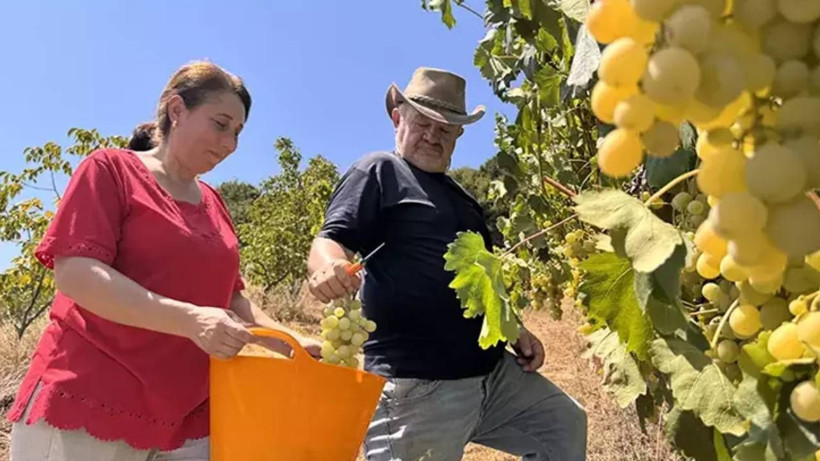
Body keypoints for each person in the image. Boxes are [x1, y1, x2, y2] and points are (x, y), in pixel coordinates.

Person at [7, 60, 321, 461]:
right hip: (89, 402)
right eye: (221, 124)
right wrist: (189, 320)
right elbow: (77, 275)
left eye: (238, 132)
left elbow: (231, 299)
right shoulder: (111, 170)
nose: (230, 143)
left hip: (186, 420)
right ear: (176, 109)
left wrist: (291, 343)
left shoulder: (215, 204)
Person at [307, 67, 588, 460]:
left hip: (493, 376)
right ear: (397, 118)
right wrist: (328, 267)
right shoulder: (379, 171)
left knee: (563, 424)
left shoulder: (463, 199)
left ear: (458, 135)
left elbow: (480, 280)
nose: (432, 136)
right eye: (423, 123)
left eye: (445, 129)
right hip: (418, 387)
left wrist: (514, 329)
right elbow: (331, 239)